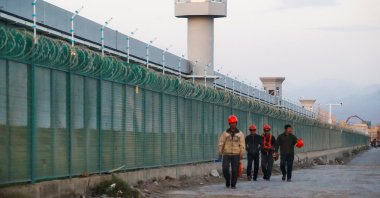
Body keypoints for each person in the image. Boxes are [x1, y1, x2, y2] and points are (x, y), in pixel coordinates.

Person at [218, 115, 245, 189]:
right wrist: (220, 153)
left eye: (234, 123)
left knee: (235, 170)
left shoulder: (240, 134)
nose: (233, 125)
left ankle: (233, 184)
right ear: (229, 124)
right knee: (225, 169)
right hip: (226, 154)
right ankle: (227, 180)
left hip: (236, 154)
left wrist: (242, 153)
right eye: (231, 123)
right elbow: (221, 143)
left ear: (236, 123)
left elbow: (242, 144)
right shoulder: (225, 133)